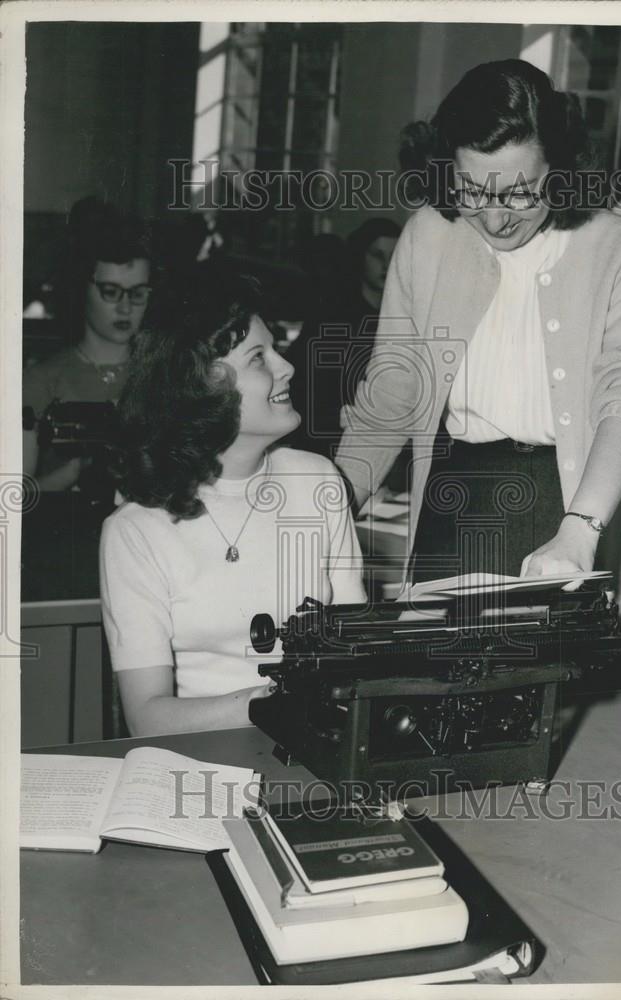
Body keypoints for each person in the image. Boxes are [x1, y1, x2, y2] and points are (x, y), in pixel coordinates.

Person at [336, 60, 621, 675]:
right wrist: (333, 498)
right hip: (455, 499)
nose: (493, 218)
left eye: (520, 191)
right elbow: (396, 387)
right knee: (430, 706)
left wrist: (581, 528)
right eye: (471, 190)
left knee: (565, 707)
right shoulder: (427, 238)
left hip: (572, 499)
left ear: (563, 169)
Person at [100, 269, 366, 737]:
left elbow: (355, 650)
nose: (287, 367)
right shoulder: (135, 529)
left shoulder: (318, 479)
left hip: (318, 745)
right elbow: (147, 717)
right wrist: (273, 701)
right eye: (260, 358)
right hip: (201, 758)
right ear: (205, 385)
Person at [22, 207, 152, 492]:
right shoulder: (39, 382)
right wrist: (68, 477)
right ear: (80, 288)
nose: (126, 306)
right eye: (111, 291)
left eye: (138, 292)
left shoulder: (163, 378)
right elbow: (11, 500)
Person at [287, 219, 400, 458]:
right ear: (361, 257)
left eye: (394, 256)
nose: (387, 265)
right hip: (329, 442)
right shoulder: (333, 317)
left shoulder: (404, 318)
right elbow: (310, 392)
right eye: (377, 255)